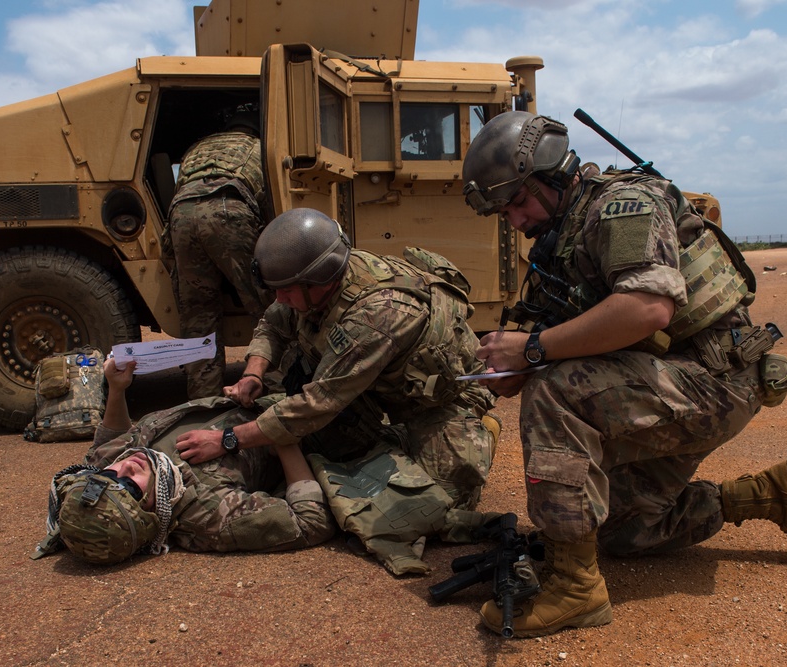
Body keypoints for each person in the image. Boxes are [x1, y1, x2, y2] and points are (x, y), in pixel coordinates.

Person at [459, 111, 787, 637]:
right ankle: (768, 494)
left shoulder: (621, 205)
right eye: (505, 212)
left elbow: (647, 309)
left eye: (519, 202)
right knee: (624, 531)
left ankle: (574, 590)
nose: (515, 221)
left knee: (556, 392)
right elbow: (570, 333)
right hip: (672, 380)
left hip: (716, 380)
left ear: (555, 175)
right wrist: (513, 363)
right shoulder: (558, 236)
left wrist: (534, 353)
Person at [170, 208, 502, 574]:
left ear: (319, 281)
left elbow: (316, 404)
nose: (279, 298)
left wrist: (228, 440)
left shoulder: (378, 314)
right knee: (332, 448)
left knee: (430, 511)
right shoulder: (319, 274)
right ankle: (387, 438)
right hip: (376, 384)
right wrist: (254, 372)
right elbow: (273, 323)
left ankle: (477, 429)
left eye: (286, 291)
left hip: (440, 399)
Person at [31, 358, 334, 564]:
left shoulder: (114, 462)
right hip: (310, 409)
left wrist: (117, 389)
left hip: (257, 391)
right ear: (150, 515)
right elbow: (309, 523)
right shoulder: (209, 515)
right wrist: (278, 431)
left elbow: (109, 442)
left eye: (108, 476)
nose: (125, 466)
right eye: (128, 486)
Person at [166, 106, 273, 399]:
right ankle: (277, 388)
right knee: (269, 308)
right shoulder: (261, 147)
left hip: (181, 216)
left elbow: (179, 191)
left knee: (199, 317)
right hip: (229, 209)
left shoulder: (197, 148)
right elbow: (270, 203)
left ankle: (203, 404)